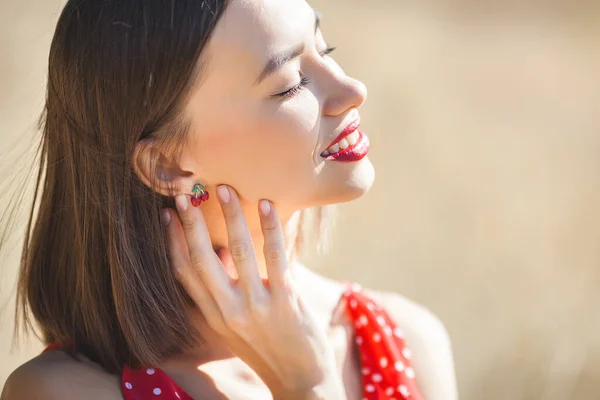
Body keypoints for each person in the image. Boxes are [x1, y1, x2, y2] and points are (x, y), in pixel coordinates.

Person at [1, 0, 458, 398]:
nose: (351, 90)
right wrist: (307, 389)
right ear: (168, 165)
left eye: (325, 49)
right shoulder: (65, 393)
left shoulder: (407, 340)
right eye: (292, 83)